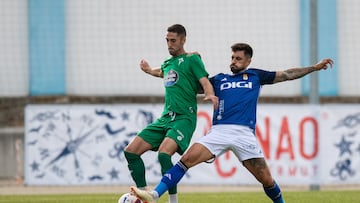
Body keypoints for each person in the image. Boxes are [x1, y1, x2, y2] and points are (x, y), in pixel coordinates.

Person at [130, 43, 334, 203]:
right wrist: (184, 64)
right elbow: (187, 81)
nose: (233, 61)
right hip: (218, 132)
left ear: (248, 60)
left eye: (238, 58)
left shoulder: (256, 76)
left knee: (267, 180)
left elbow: (287, 74)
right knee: (186, 160)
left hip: (244, 134)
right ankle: (155, 195)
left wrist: (314, 68)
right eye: (232, 57)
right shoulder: (219, 79)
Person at [124, 24, 218, 203]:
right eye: (167, 40)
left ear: (183, 40)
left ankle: (173, 201)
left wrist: (210, 94)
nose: (169, 44)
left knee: (163, 154)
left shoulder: (192, 59)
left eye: (173, 40)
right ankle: (144, 195)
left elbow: (204, 81)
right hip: (165, 118)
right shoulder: (168, 63)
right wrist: (149, 70)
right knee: (131, 152)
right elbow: (162, 72)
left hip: (184, 118)